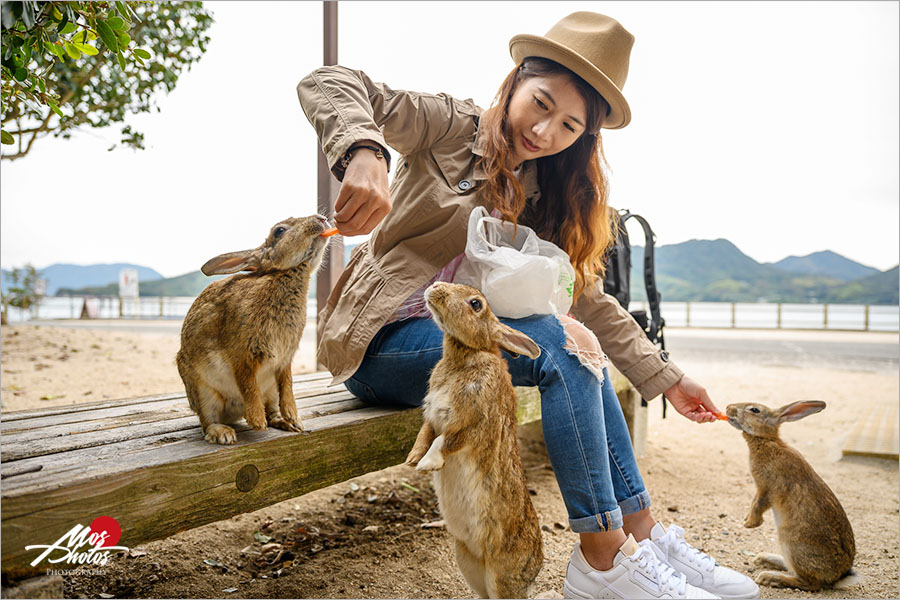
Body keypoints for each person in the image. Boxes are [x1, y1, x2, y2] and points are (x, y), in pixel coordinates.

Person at [297, 11, 759, 600]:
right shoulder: (449, 125)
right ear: (515, 81)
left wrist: (667, 378)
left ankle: (639, 536)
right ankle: (603, 559)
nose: (545, 132)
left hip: (467, 346)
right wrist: (365, 152)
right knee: (564, 347)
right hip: (380, 342)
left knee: (578, 345)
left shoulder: (542, 189)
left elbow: (586, 298)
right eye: (540, 104)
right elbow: (329, 82)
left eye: (568, 126)